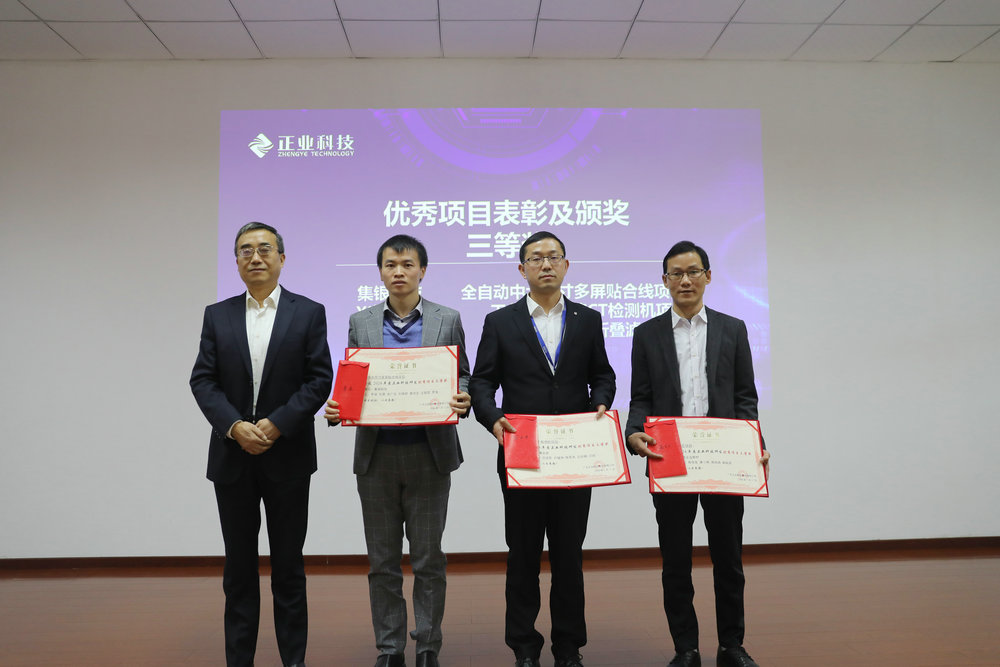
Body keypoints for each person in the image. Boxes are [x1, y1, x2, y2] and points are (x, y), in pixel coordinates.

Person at [469, 231, 616, 667]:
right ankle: (524, 648)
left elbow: (602, 374)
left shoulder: (588, 319)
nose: (546, 264)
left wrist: (600, 402)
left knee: (569, 556)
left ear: (566, 265)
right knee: (523, 555)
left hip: (575, 455)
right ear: (522, 269)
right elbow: (482, 381)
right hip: (523, 454)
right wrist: (492, 418)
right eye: (536, 258)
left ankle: (569, 648)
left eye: (553, 257)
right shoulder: (500, 321)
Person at [190, 222, 333, 667]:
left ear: (282, 259)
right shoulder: (218, 315)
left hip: (287, 456)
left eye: (265, 249)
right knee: (238, 569)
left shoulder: (308, 312)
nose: (255, 257)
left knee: (288, 567)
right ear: (235, 261)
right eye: (245, 250)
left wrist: (276, 425)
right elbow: (203, 380)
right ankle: (240, 660)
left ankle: (294, 660)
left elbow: (319, 380)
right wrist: (235, 426)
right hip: (232, 457)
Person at [325, 234, 471, 667]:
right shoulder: (361, 321)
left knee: (429, 559)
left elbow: (463, 374)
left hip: (430, 453)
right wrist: (338, 408)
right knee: (382, 561)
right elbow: (352, 382)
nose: (399, 272)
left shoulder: (448, 318)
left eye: (408, 264)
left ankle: (427, 645)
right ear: (381, 272)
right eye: (391, 265)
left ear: (422, 270)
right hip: (377, 455)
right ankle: (390, 648)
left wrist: (462, 396)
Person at [625, 241, 770, 667]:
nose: (685, 280)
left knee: (729, 558)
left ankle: (732, 646)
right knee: (675, 561)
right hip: (670, 459)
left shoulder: (733, 329)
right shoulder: (646, 333)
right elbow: (641, 396)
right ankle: (685, 648)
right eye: (676, 273)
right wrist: (634, 432)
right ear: (664, 280)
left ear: (708, 276)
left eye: (693, 272)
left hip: (724, 458)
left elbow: (745, 397)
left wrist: (754, 444)